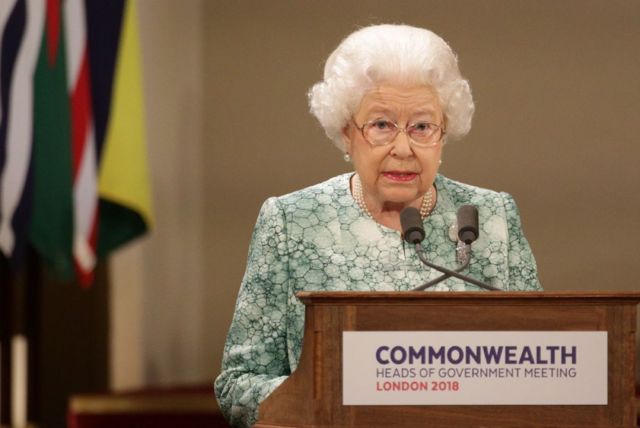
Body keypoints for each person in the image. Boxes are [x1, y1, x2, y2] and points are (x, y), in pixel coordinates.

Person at [214, 24, 542, 427]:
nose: (402, 148)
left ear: (444, 133)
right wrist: (324, 395)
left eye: (422, 127)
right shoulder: (291, 221)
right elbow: (238, 385)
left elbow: (538, 366)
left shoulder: (491, 218)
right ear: (346, 132)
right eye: (382, 125)